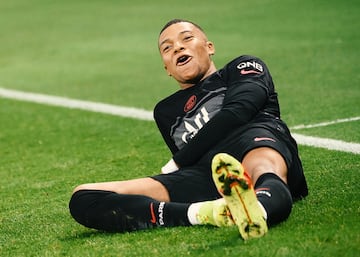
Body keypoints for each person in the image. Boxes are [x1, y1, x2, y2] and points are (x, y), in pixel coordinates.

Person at [69, 19, 308, 240]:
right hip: (202, 170)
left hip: (253, 140)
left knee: (261, 166)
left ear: (209, 47)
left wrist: (177, 163)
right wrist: (182, 170)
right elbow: (190, 166)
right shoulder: (164, 111)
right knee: (84, 195)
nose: (177, 48)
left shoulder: (242, 66)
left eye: (187, 39)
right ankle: (204, 213)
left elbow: (239, 110)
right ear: (167, 69)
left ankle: (258, 210)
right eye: (167, 48)